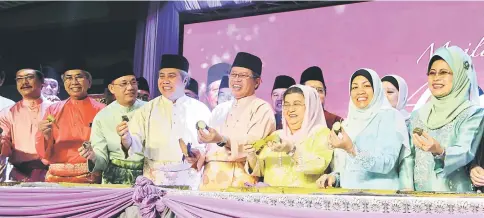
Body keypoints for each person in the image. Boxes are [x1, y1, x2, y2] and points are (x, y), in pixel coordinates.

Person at [119, 54, 211, 189]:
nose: (165, 81)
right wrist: (126, 139)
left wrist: (199, 154)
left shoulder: (200, 109)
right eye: (162, 76)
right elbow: (135, 143)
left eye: (171, 76)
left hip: (189, 178)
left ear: (185, 81)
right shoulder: (147, 109)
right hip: (155, 179)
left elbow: (209, 147)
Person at [401, 46, 484, 192]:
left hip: (456, 201)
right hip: (418, 202)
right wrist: (407, 188)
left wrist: (440, 151)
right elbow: (408, 157)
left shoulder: (473, 114)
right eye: (432, 73)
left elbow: (465, 152)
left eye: (444, 72)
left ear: (460, 75)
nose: (436, 78)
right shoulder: (417, 115)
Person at [317, 68, 408, 190]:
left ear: (376, 89)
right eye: (354, 87)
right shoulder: (347, 123)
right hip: (348, 197)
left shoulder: (390, 116)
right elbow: (349, 169)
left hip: (380, 197)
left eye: (366, 86)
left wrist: (351, 149)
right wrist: (334, 177)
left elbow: (387, 163)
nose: (360, 91)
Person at [197, 52, 276, 191]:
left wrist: (222, 139)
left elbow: (252, 146)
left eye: (243, 76)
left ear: (257, 82)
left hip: (238, 180)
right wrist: (198, 155)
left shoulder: (262, 108)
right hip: (209, 180)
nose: (236, 80)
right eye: (233, 75)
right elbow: (210, 148)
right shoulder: (219, 109)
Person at [245, 85, 332, 187]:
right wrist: (251, 155)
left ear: (310, 107)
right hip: (272, 200)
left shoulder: (321, 133)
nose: (290, 110)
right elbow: (261, 170)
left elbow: (319, 165)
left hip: (304, 200)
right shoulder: (276, 135)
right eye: (286, 105)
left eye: (296, 104)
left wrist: (291, 149)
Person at [36, 61, 105, 183]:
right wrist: (45, 135)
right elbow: (44, 151)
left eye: (79, 77)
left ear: (89, 82)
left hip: (89, 176)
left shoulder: (102, 110)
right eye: (68, 78)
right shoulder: (53, 110)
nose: (74, 82)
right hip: (56, 176)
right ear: (64, 83)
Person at [78, 61, 145, 184]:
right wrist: (93, 156)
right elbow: (102, 161)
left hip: (146, 176)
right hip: (114, 178)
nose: (130, 87)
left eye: (133, 82)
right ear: (111, 88)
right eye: (124, 84)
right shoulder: (102, 117)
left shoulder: (149, 110)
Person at [0, 68, 52, 182]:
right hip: (20, 174)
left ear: (42, 83)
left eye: (29, 77)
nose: (24, 82)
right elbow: (5, 147)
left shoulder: (55, 109)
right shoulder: (7, 112)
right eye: (19, 79)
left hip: (52, 173)